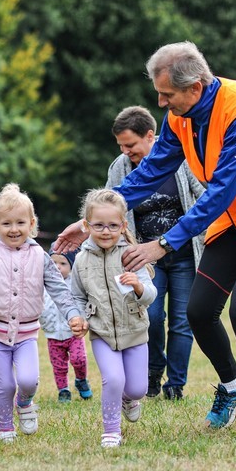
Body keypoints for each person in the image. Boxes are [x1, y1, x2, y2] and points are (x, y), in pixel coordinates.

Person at [57, 41, 236, 442]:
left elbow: (223, 187)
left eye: (167, 95)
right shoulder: (183, 117)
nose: (160, 103)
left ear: (195, 87)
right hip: (232, 218)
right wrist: (89, 221)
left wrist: (165, 242)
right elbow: (151, 171)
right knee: (198, 311)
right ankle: (233, 388)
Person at [0, 183, 86, 443]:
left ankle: (25, 403)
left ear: (32, 224)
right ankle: (6, 428)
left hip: (26, 333)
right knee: (5, 385)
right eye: (6, 223)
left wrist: (73, 314)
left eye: (20, 223)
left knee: (28, 381)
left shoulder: (40, 256)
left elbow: (60, 291)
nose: (14, 229)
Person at [107, 105, 205, 400]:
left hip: (184, 254)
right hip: (144, 260)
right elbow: (111, 209)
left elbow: (202, 197)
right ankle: (151, 374)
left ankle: (176, 384)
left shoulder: (182, 159)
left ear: (151, 136)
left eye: (131, 144)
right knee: (149, 316)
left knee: (182, 319)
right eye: (121, 146)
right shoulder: (120, 167)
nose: (126, 151)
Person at [69, 189, 157, 448]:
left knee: (138, 388)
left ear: (123, 225)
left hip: (135, 331)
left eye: (112, 225)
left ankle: (128, 399)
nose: (106, 231)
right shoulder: (81, 260)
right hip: (102, 332)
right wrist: (79, 318)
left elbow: (150, 294)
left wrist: (139, 287)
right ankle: (110, 431)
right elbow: (76, 297)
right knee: (113, 380)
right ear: (86, 226)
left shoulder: (131, 254)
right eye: (98, 225)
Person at [39, 248, 93, 403]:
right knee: (59, 365)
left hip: (73, 333)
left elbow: (83, 302)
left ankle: (81, 380)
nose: (57, 267)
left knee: (79, 359)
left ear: (72, 266)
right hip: (52, 333)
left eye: (62, 263)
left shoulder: (76, 284)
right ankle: (63, 390)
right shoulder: (42, 285)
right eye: (53, 262)